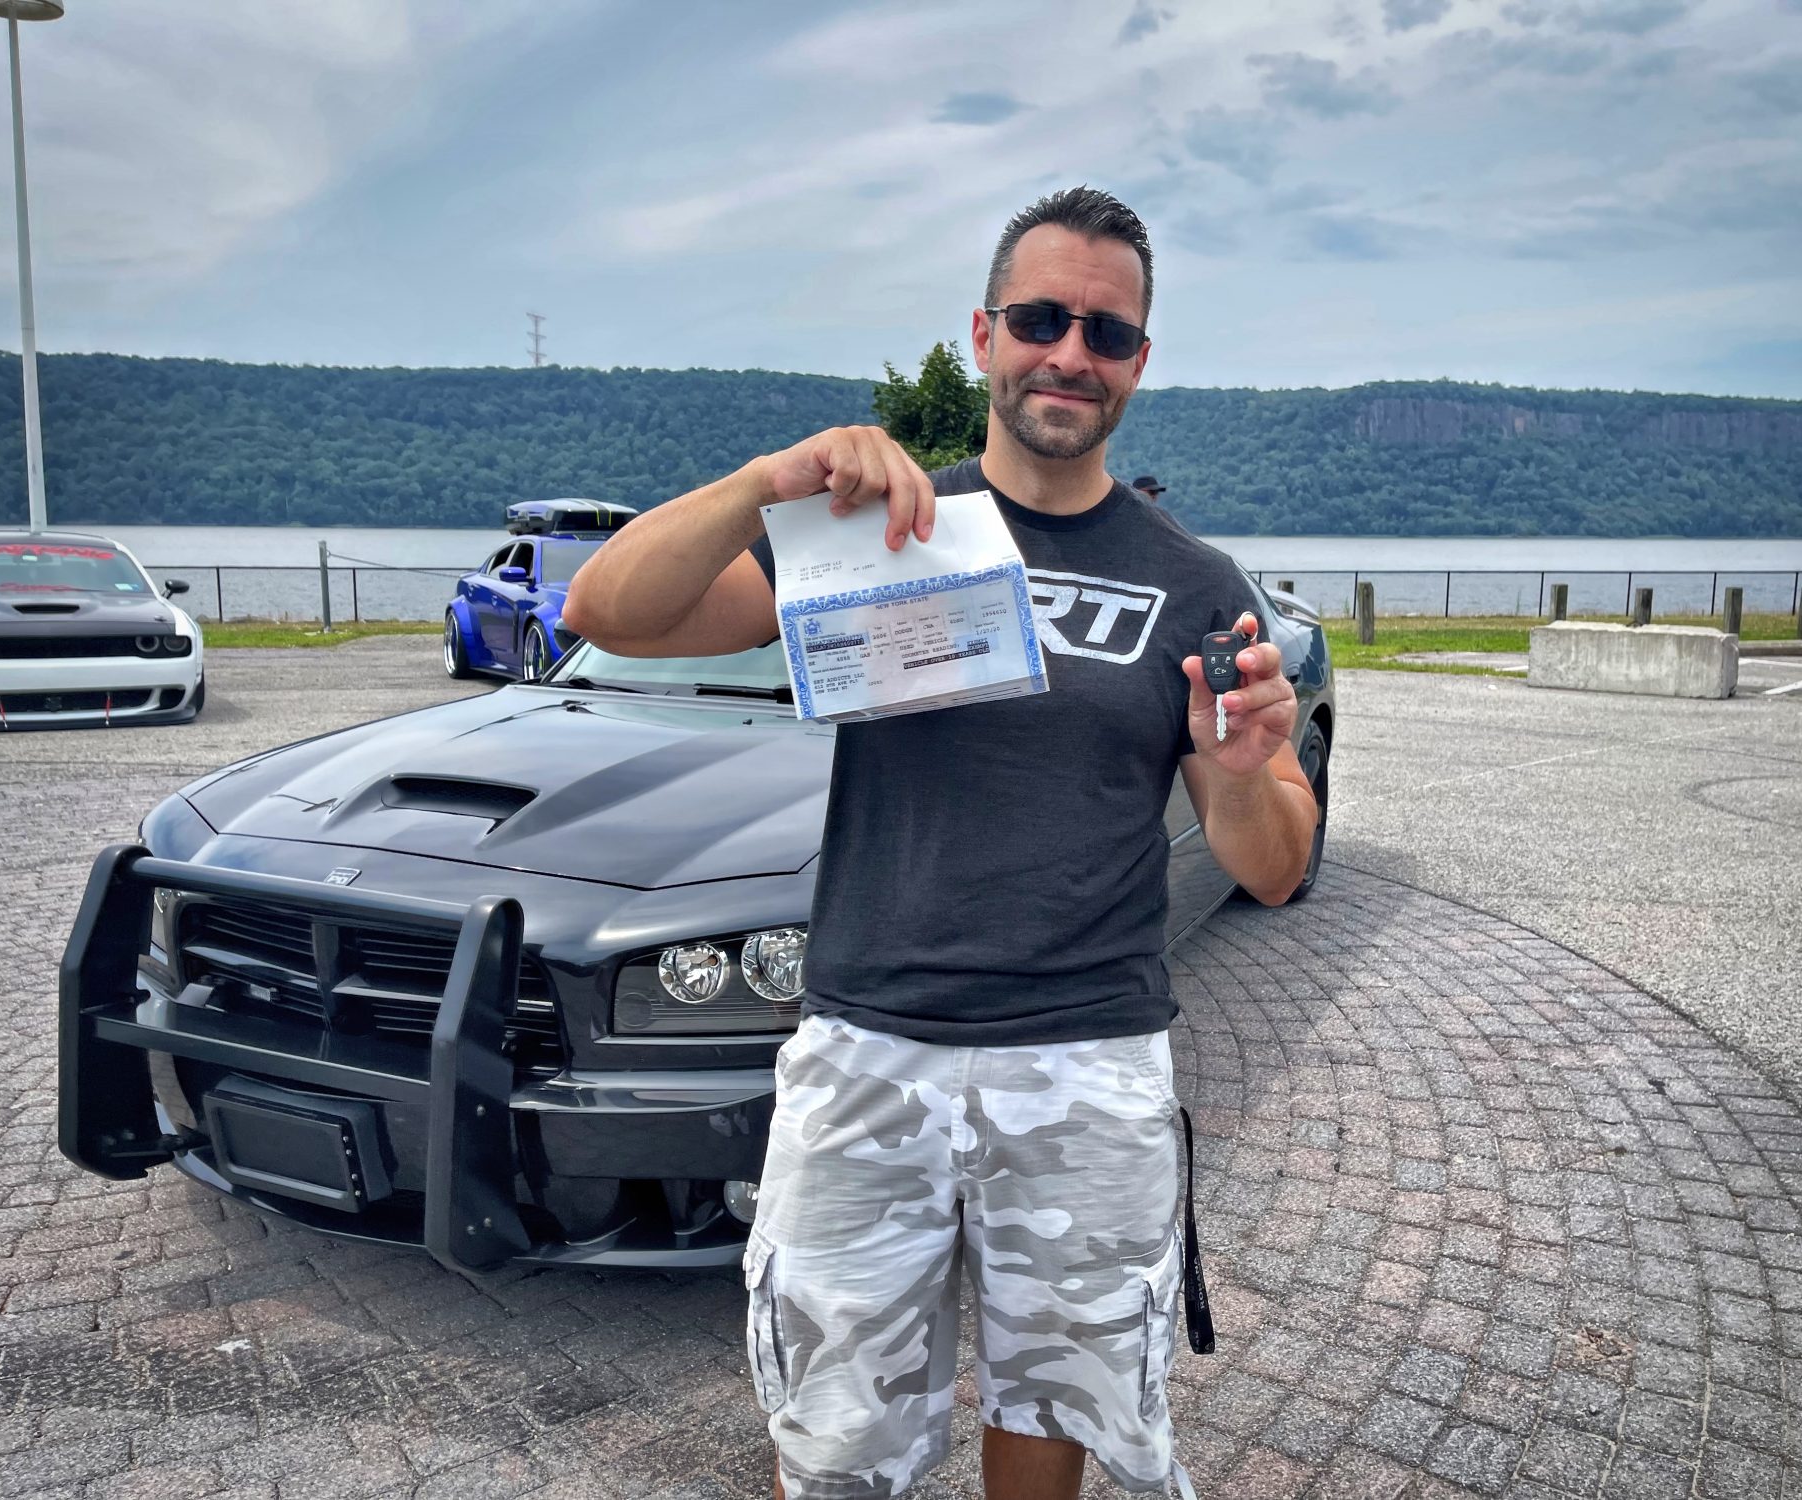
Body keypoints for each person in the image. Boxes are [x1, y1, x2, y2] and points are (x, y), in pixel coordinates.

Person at [563, 186, 1316, 1500]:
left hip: (1085, 1058)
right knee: (840, 1427)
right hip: (870, 1048)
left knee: (1058, 1397)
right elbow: (612, 611)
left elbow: (1271, 864)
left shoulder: (1195, 583)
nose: (1071, 353)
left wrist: (1254, 765)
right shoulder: (880, 536)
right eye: (1041, 318)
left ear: (1141, 362)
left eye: (1109, 332)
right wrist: (763, 484)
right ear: (983, 334)